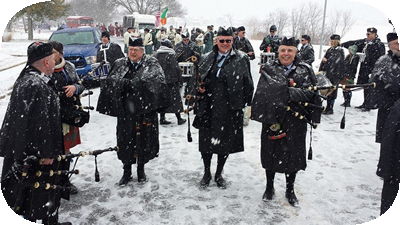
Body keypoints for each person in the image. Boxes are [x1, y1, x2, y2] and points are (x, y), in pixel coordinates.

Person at [0, 42, 71, 224]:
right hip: (36, 155)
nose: (55, 61)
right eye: (52, 58)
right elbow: (36, 123)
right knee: (36, 195)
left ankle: (51, 220)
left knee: (42, 193)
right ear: (46, 62)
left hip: (32, 151)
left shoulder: (31, 79)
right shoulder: (34, 85)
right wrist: (47, 153)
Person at [251, 37, 322, 206]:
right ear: (278, 51)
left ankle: (290, 190)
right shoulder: (269, 68)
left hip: (296, 120)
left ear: (296, 52)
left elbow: (310, 94)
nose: (286, 53)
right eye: (283, 50)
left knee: (293, 156)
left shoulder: (305, 69)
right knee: (270, 154)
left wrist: (284, 91)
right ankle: (269, 187)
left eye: (290, 50)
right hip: (273, 119)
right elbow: (262, 93)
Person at [96, 37, 170, 186]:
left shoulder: (151, 63)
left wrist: (134, 84)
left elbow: (156, 81)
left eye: (136, 50)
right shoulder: (120, 63)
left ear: (142, 51)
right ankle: (126, 170)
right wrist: (124, 84)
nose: (133, 52)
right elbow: (111, 80)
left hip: (145, 110)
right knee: (125, 140)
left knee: (144, 140)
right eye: (131, 50)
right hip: (126, 111)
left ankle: (141, 169)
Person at [192, 27, 254, 189]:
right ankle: (207, 172)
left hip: (229, 108)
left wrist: (245, 105)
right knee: (206, 143)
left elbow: (248, 83)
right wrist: (197, 90)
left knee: (224, 143)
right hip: (208, 107)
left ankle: (219, 173)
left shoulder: (241, 59)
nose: (225, 44)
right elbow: (195, 80)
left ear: (232, 41)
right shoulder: (206, 57)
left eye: (228, 40)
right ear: (216, 41)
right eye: (222, 40)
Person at [364, 32, 400, 215]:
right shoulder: (385, 61)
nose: (398, 46)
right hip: (390, 113)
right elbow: (374, 85)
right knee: (389, 146)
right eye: (395, 43)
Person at [49, 40, 86, 195]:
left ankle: (64, 181)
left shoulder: (69, 67)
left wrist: (75, 88)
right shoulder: (44, 69)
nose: (50, 56)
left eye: (53, 53)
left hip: (69, 116)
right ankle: (51, 182)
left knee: (66, 151)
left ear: (61, 54)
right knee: (52, 152)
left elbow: (81, 84)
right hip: (51, 118)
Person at [341, 27, 386, 111]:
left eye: (369, 34)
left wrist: (376, 69)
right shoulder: (365, 42)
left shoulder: (379, 44)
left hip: (372, 69)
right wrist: (342, 44)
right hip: (364, 68)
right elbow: (354, 43)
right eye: (367, 34)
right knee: (365, 86)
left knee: (370, 87)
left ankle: (369, 104)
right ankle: (365, 103)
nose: (367, 35)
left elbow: (381, 58)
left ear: (374, 34)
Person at [154, 39, 186, 125]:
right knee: (175, 100)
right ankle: (179, 119)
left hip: (160, 81)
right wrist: (180, 79)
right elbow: (175, 68)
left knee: (162, 100)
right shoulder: (171, 55)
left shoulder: (156, 55)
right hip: (171, 81)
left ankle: (162, 118)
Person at [319, 34, 345, 114]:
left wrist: (326, 61)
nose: (331, 42)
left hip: (334, 74)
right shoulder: (330, 49)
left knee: (332, 91)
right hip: (329, 73)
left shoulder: (339, 50)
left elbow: (335, 63)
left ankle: (330, 108)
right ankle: (328, 107)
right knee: (328, 91)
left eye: (332, 41)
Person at [175, 33, 201, 103]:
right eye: (184, 40)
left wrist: (194, 57)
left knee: (191, 84)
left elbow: (198, 55)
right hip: (181, 68)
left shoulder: (194, 45)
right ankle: (179, 98)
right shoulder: (178, 45)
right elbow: (175, 56)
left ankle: (189, 99)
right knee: (180, 83)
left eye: (187, 40)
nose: (186, 41)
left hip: (191, 68)